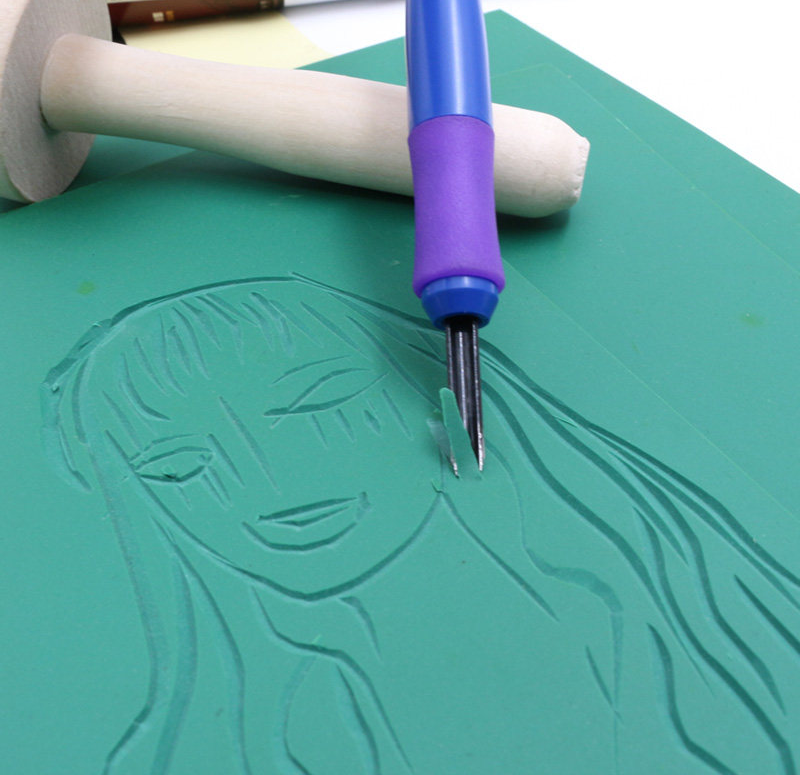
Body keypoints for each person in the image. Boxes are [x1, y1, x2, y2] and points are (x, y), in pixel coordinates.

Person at [43, 275, 800, 774]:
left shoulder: (681, 628)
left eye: (315, 404)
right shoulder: (252, 732)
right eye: (178, 466)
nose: (265, 486)